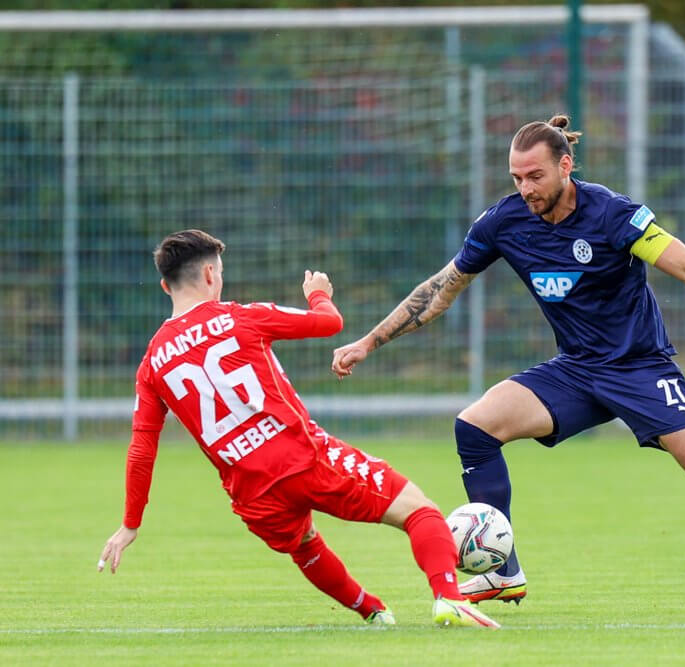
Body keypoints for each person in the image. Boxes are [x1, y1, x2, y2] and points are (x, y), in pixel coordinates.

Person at [331, 115, 685, 617]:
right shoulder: (503, 222)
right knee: (474, 426)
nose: (526, 188)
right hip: (577, 371)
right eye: (516, 178)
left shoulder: (613, 215)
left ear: (566, 166)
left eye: (535, 176)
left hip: (639, 368)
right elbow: (439, 291)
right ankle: (504, 572)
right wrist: (367, 343)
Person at [98, 229, 500, 629]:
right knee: (420, 511)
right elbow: (330, 323)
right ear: (208, 274)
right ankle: (449, 597)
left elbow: (141, 448)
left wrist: (131, 523)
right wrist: (318, 292)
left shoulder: (151, 364)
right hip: (303, 458)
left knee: (305, 546)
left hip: (250, 492)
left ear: (165, 285)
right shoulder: (241, 316)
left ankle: (373, 612)